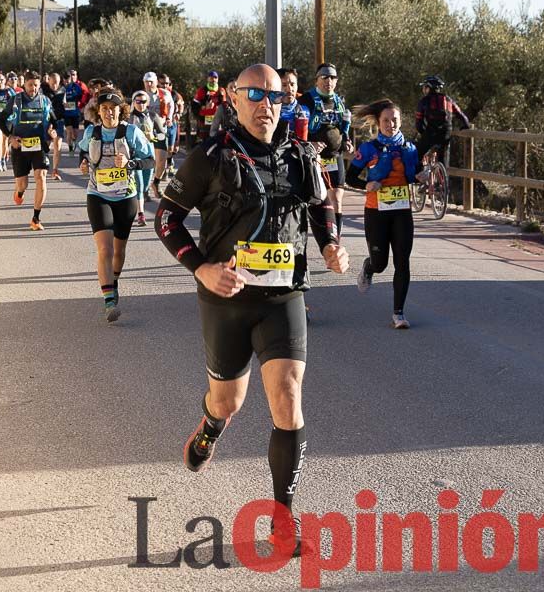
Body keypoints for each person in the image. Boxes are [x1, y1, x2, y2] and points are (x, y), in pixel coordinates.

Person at [155, 64, 349, 557]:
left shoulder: (300, 155)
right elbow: (166, 217)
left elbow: (322, 204)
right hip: (226, 298)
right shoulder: (211, 156)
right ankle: (209, 428)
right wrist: (200, 269)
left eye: (276, 97)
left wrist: (330, 245)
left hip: (283, 295)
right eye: (255, 95)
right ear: (233, 99)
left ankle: (283, 517)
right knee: (229, 402)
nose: (266, 105)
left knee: (287, 395)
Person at [78, 89, 155, 323]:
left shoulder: (131, 132)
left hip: (125, 197)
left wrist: (130, 162)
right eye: (104, 109)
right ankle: (109, 299)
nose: (108, 112)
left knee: (119, 251)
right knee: (105, 249)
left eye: (113, 109)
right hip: (98, 195)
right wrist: (83, 163)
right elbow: (82, 153)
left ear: (121, 111)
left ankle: (114, 280)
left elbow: (150, 160)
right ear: (98, 111)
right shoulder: (92, 132)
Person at [347, 100, 420, 329]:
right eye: (386, 120)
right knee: (381, 264)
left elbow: (416, 172)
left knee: (402, 262)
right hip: (376, 212)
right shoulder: (369, 149)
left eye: (395, 120)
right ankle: (369, 267)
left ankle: (399, 313)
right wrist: (365, 186)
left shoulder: (409, 148)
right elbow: (350, 178)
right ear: (378, 123)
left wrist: (423, 176)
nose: (391, 124)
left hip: (401, 211)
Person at [299, 63, 352, 236]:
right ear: (317, 80)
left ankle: (335, 238)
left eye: (333, 78)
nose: (329, 81)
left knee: (337, 198)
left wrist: (347, 142)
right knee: (314, 198)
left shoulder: (339, 101)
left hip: (334, 156)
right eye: (325, 77)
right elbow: (299, 128)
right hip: (313, 157)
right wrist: (309, 145)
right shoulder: (306, 100)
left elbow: (343, 127)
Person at [2, 74, 56, 231]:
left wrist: (52, 132)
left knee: (41, 177)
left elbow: (54, 119)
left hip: (39, 146)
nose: (34, 88)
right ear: (24, 84)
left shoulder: (45, 101)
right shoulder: (16, 100)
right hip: (20, 147)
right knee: (23, 184)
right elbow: (1, 119)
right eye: (31, 85)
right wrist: (10, 137)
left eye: (37, 85)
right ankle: (19, 192)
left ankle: (36, 218)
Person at [129, 90, 167, 227]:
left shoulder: (152, 115)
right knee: (139, 185)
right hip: (134, 155)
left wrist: (158, 139)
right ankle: (141, 214)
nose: (140, 104)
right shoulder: (129, 117)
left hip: (149, 156)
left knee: (144, 186)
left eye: (143, 101)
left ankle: (139, 196)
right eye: (138, 101)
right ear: (133, 102)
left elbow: (161, 133)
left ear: (148, 102)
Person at [414, 74, 470, 166]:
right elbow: (462, 116)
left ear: (429, 88)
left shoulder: (424, 101)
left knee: (417, 154)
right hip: (446, 133)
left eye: (425, 87)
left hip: (431, 133)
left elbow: (419, 124)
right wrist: (465, 126)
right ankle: (443, 177)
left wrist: (423, 133)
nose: (423, 89)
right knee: (443, 160)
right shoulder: (448, 100)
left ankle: (419, 176)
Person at [143, 72, 176, 199]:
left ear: (156, 82)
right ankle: (144, 188)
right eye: (146, 82)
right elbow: (132, 112)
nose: (149, 84)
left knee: (161, 160)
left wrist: (169, 117)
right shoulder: (141, 96)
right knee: (147, 160)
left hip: (161, 130)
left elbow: (171, 105)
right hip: (145, 133)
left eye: (151, 81)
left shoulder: (165, 93)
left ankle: (155, 183)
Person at [0, 76, 17, 172]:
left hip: (7, 118)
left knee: (5, 141)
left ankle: (3, 159)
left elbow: (16, 103)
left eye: (1, 80)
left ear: (5, 81)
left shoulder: (10, 91)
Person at [278, 68, 310, 140]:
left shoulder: (304, 111)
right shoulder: (268, 110)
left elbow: (304, 141)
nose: (289, 89)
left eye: (292, 84)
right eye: (284, 85)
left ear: (297, 86)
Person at [191, 70, 226, 135]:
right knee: (205, 141)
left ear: (218, 79)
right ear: (208, 79)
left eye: (215, 78)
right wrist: (204, 107)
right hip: (204, 121)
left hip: (217, 121)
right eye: (211, 77)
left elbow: (225, 105)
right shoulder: (202, 90)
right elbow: (194, 106)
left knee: (217, 140)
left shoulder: (221, 90)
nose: (214, 79)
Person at [62, 69, 90, 150]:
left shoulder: (76, 87)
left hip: (75, 113)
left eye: (68, 78)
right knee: (69, 132)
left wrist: (81, 105)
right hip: (66, 114)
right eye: (65, 78)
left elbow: (83, 97)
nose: (66, 80)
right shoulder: (62, 88)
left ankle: (74, 141)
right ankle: (70, 147)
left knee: (75, 133)